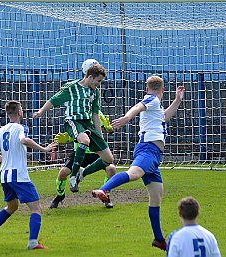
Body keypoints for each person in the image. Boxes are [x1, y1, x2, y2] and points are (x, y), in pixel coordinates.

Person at [92, 75, 184, 251]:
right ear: (162, 90)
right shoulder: (152, 99)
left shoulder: (156, 104)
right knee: (134, 173)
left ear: (147, 88)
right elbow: (137, 107)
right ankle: (104, 189)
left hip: (153, 155)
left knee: (156, 195)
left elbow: (164, 117)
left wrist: (177, 101)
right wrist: (126, 118)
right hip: (148, 150)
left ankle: (158, 239)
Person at [0, 100, 56, 250]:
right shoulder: (21, 128)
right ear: (19, 112)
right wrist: (45, 149)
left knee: (12, 206)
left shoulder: (1, 130)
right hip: (19, 176)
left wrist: (4, 160)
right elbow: (24, 140)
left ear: (8, 114)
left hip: (4, 176)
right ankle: (33, 242)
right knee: (36, 208)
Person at [33, 61, 115, 194]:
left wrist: (99, 136)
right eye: (98, 81)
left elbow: (95, 115)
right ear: (90, 77)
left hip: (88, 124)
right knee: (84, 140)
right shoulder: (71, 87)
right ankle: (73, 177)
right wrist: (41, 111)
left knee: (108, 159)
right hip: (73, 121)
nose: (99, 84)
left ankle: (82, 173)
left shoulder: (95, 92)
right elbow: (54, 100)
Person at [50, 111, 116, 209]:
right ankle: (60, 196)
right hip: (80, 152)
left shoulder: (97, 114)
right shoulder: (76, 113)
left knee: (111, 169)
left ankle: (106, 195)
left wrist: (109, 128)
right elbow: (74, 133)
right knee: (63, 173)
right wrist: (67, 139)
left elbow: (107, 129)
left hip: (96, 152)